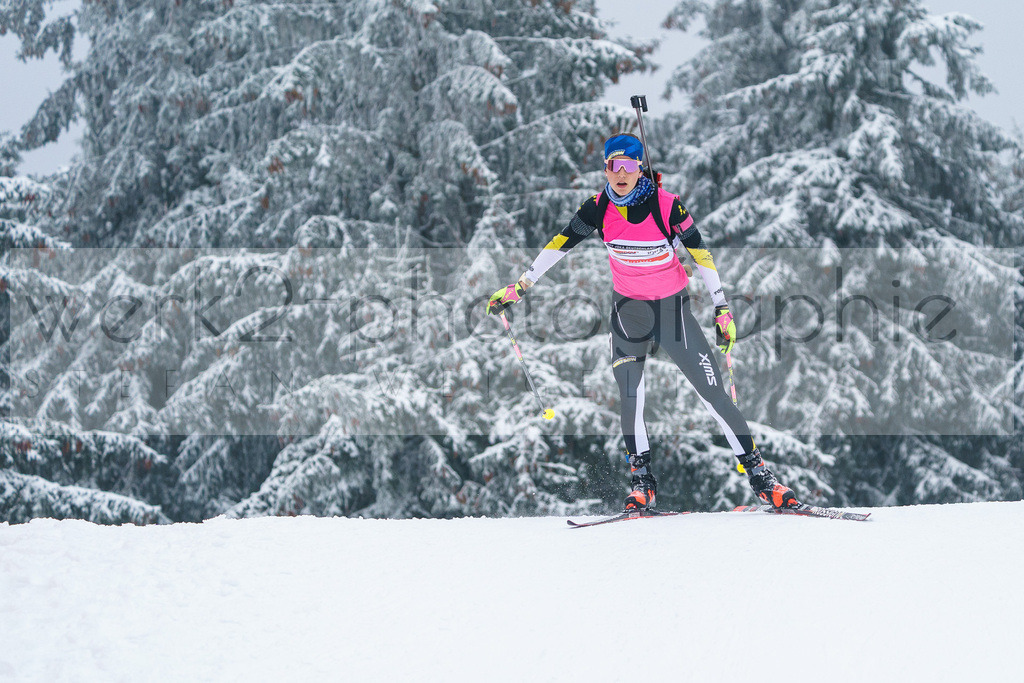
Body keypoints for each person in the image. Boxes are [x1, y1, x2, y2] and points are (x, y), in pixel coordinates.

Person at [487, 133, 800, 512]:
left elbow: (701, 256)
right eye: (613, 165)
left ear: (640, 168)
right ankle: (642, 482)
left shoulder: (667, 206)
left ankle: (761, 478)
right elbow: (559, 244)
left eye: (630, 165)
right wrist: (520, 286)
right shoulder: (597, 208)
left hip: (672, 312)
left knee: (712, 393)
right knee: (631, 396)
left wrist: (722, 309)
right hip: (628, 313)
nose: (621, 173)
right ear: (605, 168)